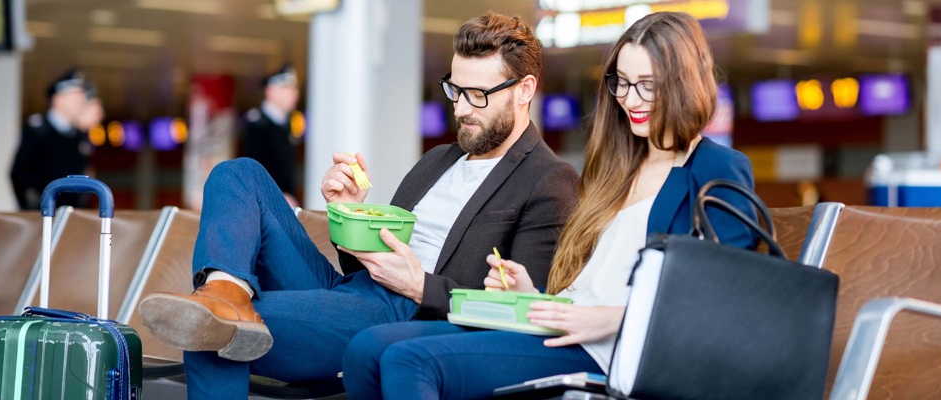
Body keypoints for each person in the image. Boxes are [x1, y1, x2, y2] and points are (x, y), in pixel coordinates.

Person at [136, 12, 579, 399]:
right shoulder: (438, 160)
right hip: (354, 294)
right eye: (454, 90)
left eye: (477, 94)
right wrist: (349, 216)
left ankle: (224, 306)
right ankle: (225, 290)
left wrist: (420, 286)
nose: (461, 108)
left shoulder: (549, 180)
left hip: (408, 312)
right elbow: (359, 269)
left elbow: (521, 310)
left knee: (213, 327)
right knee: (238, 174)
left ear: (524, 90)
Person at [340, 12, 758, 400]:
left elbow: (720, 301)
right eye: (623, 83)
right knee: (367, 348)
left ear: (685, 81)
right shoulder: (617, 170)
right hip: (560, 325)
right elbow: (591, 281)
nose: (631, 98)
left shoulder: (717, 168)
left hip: (611, 349)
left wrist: (613, 319)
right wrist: (531, 294)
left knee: (407, 359)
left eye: (648, 84)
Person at [10, 69, 93, 209]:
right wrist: (30, 208)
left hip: (70, 214)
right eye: (76, 97)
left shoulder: (78, 135)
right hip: (42, 214)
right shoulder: (36, 130)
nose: (81, 102)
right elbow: (18, 173)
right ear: (58, 99)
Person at [243, 64, 301, 207]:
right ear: (270, 91)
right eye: (285, 88)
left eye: (294, 88)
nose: (293, 93)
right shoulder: (258, 124)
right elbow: (254, 171)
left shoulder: (285, 124)